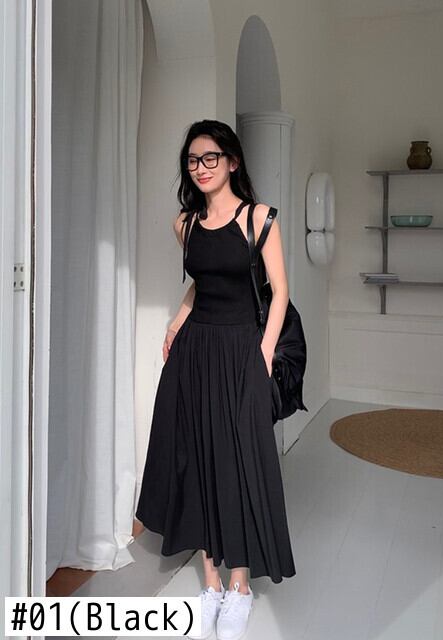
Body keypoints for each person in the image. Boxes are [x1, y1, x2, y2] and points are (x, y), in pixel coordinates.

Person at [135, 119, 295, 640]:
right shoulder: (184, 224)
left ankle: (240, 586)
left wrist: (263, 354)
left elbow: (280, 292)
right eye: (193, 160)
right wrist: (175, 322)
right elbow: (200, 286)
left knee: (239, 461)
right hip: (195, 352)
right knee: (199, 459)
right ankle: (210, 584)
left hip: (241, 350)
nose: (201, 168)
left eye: (210, 158)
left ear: (231, 161)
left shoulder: (259, 218)